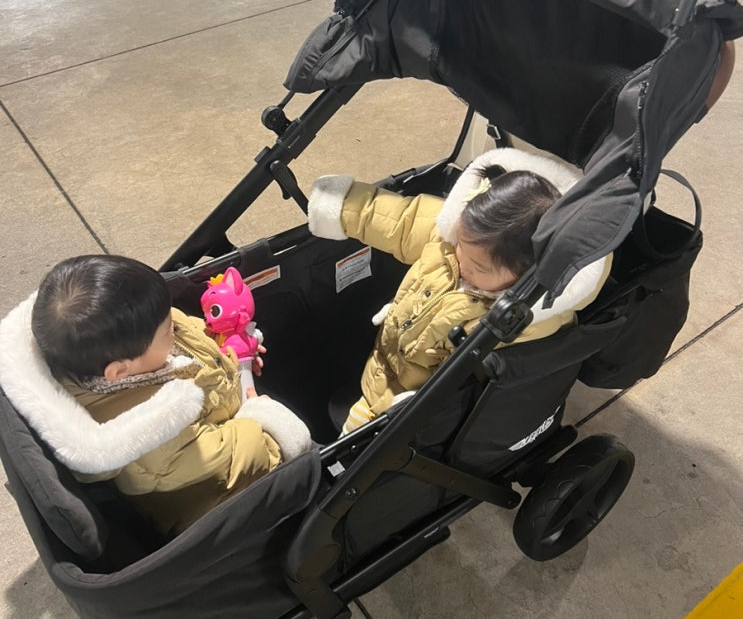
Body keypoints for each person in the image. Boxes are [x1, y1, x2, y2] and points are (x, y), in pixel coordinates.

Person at [0, 254, 311, 536]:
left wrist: (229, 354)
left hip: (221, 412)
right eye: (167, 330)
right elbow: (240, 459)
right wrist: (268, 420)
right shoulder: (153, 438)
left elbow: (188, 335)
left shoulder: (129, 344)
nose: (174, 325)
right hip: (220, 493)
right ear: (119, 371)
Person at [308, 147, 612, 434]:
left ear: (526, 275)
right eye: (461, 246)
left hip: (411, 403)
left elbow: (475, 388)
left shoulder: (523, 324)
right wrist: (342, 205)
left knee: (353, 443)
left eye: (478, 267)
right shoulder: (456, 238)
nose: (462, 262)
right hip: (385, 361)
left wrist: (421, 408)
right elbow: (402, 220)